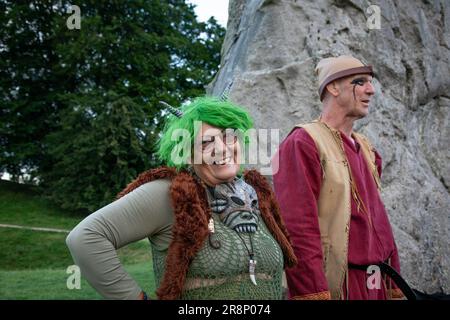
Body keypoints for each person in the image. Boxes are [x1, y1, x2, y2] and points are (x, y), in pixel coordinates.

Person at [66, 96, 297, 300]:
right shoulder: (170, 194)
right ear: (186, 152)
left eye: (229, 136)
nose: (221, 149)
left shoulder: (256, 191)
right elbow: (84, 239)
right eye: (206, 142)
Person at [272, 55, 404, 300]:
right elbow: (297, 228)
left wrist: (393, 281)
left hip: (376, 280)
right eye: (360, 81)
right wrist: (313, 292)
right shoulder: (302, 143)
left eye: (371, 82)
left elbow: (379, 220)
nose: (371, 90)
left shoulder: (367, 149)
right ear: (333, 87)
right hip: (339, 284)